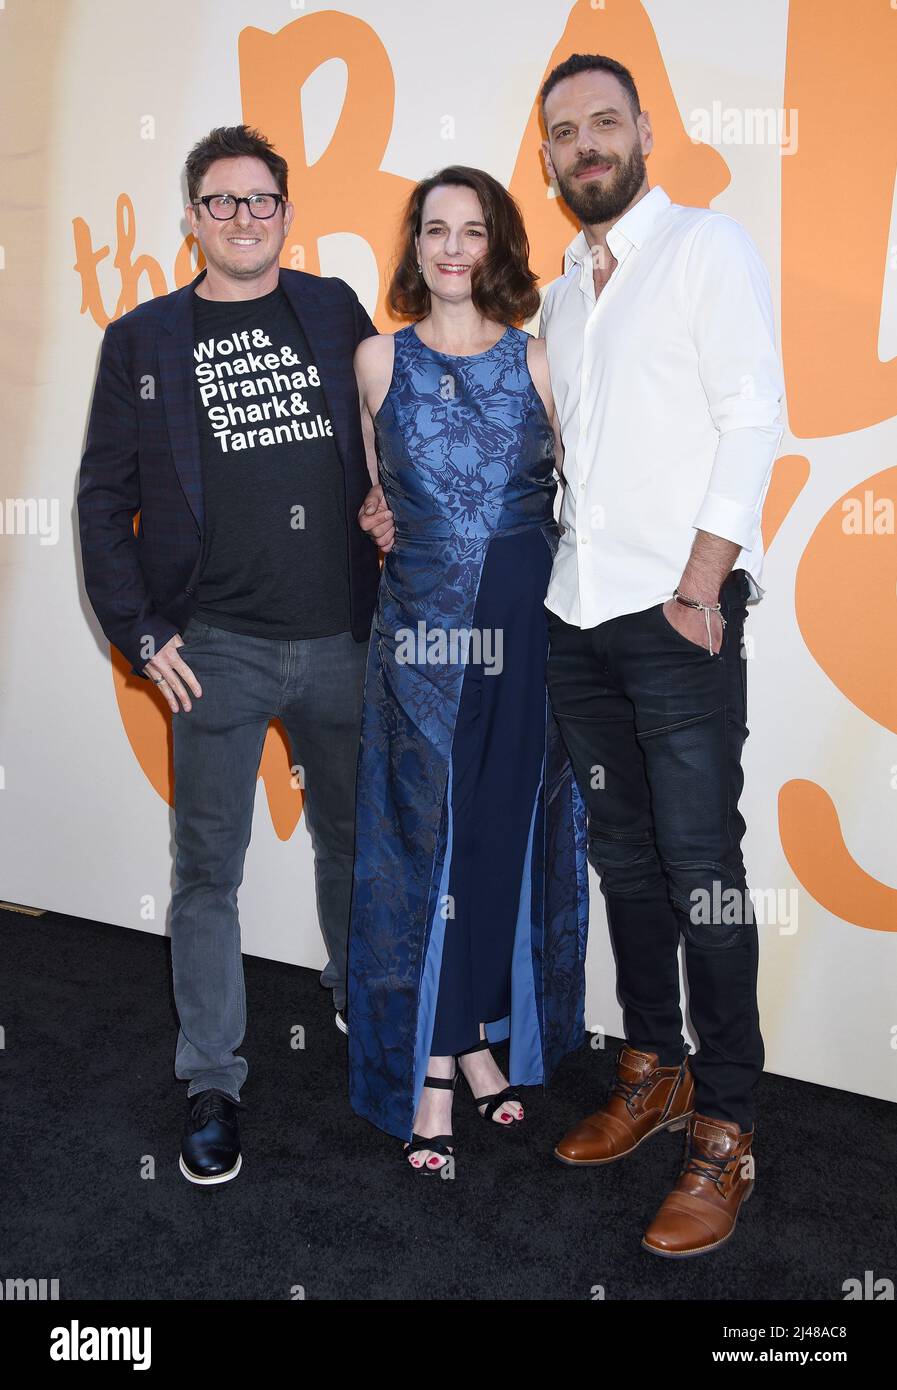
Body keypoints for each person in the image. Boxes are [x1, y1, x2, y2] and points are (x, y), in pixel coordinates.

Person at [78, 124, 390, 1185]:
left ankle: (360, 1002)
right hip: (212, 651)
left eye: (262, 200)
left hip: (345, 639)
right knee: (207, 870)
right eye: (224, 202)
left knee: (356, 843)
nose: (245, 217)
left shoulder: (334, 309)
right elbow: (101, 501)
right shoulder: (143, 340)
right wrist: (143, 634)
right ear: (193, 218)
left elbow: (393, 432)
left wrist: (395, 507)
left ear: (287, 215)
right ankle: (213, 1076)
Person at [538, 55, 785, 1254]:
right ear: (548, 161)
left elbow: (753, 413)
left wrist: (701, 581)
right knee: (624, 862)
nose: (586, 145)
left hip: (677, 619)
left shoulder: (706, 248)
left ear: (642, 131)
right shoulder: (562, 296)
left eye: (603, 123)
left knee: (706, 872)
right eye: (565, 133)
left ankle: (730, 1122)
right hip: (576, 620)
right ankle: (656, 1069)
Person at [348, 166, 589, 1171]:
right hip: (420, 639)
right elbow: (381, 494)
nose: (453, 247)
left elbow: (581, 489)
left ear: (497, 247)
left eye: (473, 230)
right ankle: (438, 1061)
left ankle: (485, 1040)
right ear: (414, 248)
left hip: (521, 634)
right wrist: (378, 521)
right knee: (423, 846)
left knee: (499, 836)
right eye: (435, 230)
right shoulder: (374, 360)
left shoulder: (540, 360)